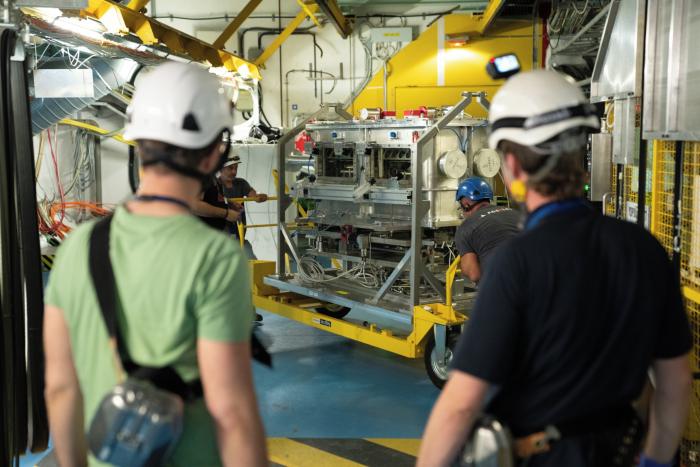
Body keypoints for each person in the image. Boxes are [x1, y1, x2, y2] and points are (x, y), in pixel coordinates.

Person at [418, 70, 692, 467]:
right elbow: (674, 382)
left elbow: (460, 405)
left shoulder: (516, 263)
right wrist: (654, 460)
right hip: (626, 449)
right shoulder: (643, 248)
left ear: (511, 165)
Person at [43, 62, 268, 467]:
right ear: (214, 153)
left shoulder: (79, 247)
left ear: (138, 142)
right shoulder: (215, 259)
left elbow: (60, 387)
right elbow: (231, 411)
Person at [454, 177, 520, 282]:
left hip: (504, 287)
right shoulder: (515, 213)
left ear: (466, 205)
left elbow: (474, 274)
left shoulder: (466, 227)